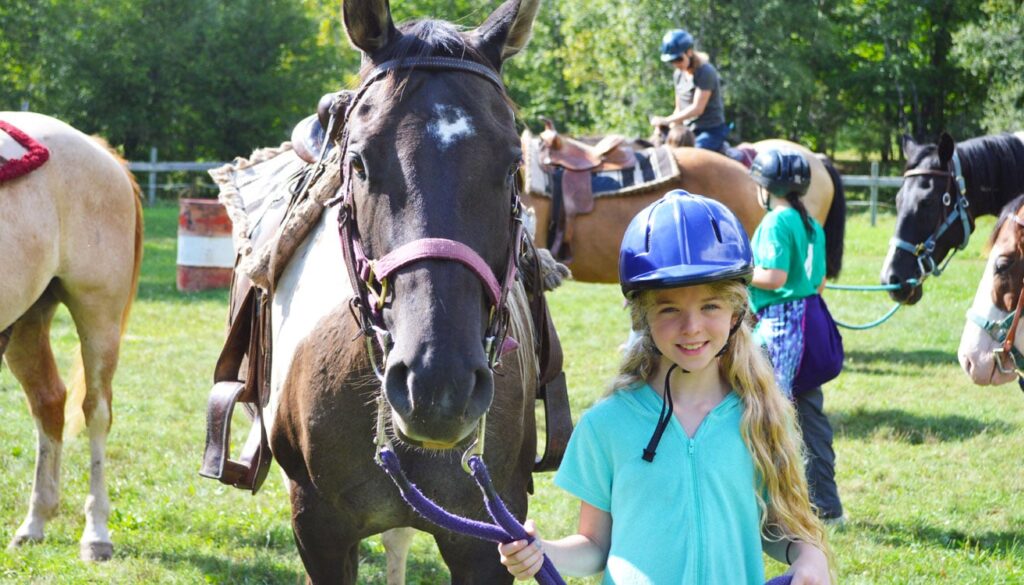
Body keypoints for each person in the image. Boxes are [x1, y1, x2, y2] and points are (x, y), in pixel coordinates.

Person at [498, 190, 833, 584]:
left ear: (737, 312)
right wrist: (542, 552)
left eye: (710, 306)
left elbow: (772, 526)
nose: (691, 327)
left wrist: (809, 555)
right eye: (669, 309)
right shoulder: (607, 424)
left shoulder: (760, 414)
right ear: (642, 318)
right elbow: (593, 546)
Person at [748, 149, 845, 525]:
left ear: (767, 188)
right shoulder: (812, 225)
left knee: (762, 413)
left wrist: (739, 272)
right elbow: (817, 282)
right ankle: (827, 505)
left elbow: (773, 278)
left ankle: (765, 503)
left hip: (778, 328)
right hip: (810, 322)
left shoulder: (775, 222)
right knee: (810, 413)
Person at [649, 29, 729, 152]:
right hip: (688, 130)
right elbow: (679, 108)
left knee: (693, 154)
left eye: (678, 59)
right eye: (672, 61)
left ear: (689, 52)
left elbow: (698, 108)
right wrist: (665, 127)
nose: (676, 64)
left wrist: (666, 120)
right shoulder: (678, 75)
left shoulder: (706, 72)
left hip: (710, 131)